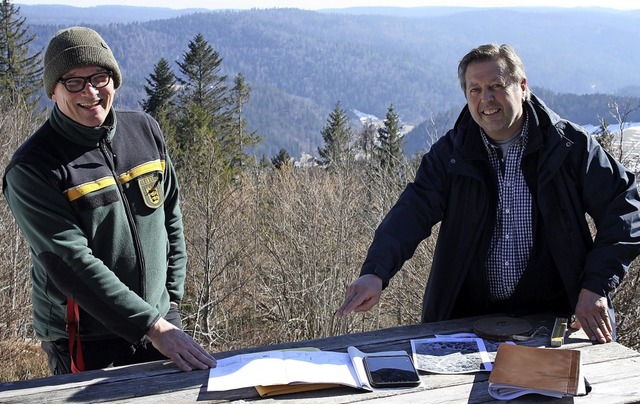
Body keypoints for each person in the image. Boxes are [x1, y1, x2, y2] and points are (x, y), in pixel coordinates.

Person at [336, 43, 640, 344]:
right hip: (467, 319)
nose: (487, 99)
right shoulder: (451, 154)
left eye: (496, 85)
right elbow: (412, 212)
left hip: (557, 318)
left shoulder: (569, 146)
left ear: (522, 86)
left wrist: (596, 286)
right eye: (475, 90)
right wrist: (375, 272)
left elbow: (626, 205)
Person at [2, 26, 216, 374]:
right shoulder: (33, 168)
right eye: (73, 82)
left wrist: (171, 298)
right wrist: (152, 325)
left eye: (99, 77)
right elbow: (72, 262)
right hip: (87, 337)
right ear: (53, 92)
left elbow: (170, 216)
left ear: (114, 81)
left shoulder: (145, 131)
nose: (90, 91)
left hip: (162, 322)